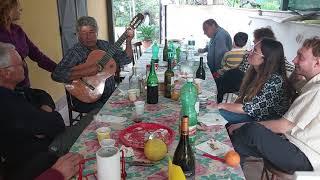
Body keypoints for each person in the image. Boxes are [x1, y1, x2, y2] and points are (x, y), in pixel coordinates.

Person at [229, 37, 320, 174]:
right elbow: (290, 85)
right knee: (237, 139)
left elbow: (283, 126)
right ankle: (231, 167)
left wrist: (242, 125)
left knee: (251, 130)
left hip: (303, 155)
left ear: (317, 63)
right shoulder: (308, 84)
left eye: (300, 57)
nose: (294, 60)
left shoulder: (316, 90)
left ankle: (229, 165)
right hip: (290, 144)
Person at [0, 43, 86, 179]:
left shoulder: (15, 89)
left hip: (41, 146)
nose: (24, 66)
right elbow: (57, 124)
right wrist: (47, 118)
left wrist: (45, 108)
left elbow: (41, 94)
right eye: (19, 63)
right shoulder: (7, 102)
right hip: (40, 158)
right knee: (90, 122)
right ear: (5, 73)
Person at [52, 16, 134, 113]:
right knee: (109, 112)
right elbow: (56, 74)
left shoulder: (105, 45)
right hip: (86, 99)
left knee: (132, 103)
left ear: (96, 32)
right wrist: (86, 71)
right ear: (78, 34)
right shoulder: (75, 52)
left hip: (109, 94)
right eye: (83, 33)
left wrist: (128, 41)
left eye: (91, 32)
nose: (88, 37)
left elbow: (126, 59)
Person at [217, 38, 295, 124]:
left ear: (265, 58)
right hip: (252, 115)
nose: (249, 52)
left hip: (263, 122)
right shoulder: (255, 72)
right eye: (252, 48)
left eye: (254, 51)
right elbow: (243, 98)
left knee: (217, 114)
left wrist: (221, 105)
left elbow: (249, 108)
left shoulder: (275, 80)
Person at [0, 0, 57, 88]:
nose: (21, 9)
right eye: (17, 6)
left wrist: (57, 69)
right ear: (8, 9)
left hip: (24, 83)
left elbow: (37, 55)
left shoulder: (17, 30)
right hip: (6, 88)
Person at [215, 27, 276, 103]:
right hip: (240, 90)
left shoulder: (274, 71)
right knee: (230, 74)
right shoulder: (248, 57)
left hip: (246, 98)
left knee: (230, 75)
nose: (250, 51)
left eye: (255, 48)